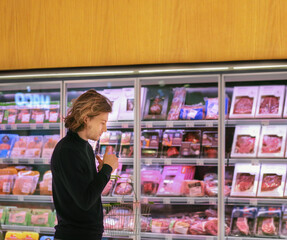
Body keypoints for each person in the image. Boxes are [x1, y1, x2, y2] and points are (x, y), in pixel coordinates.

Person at [51, 89, 119, 240]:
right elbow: (85, 200)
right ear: (86, 118)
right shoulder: (68, 150)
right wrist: (107, 170)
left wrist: (102, 172)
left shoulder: (85, 146)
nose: (105, 129)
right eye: (102, 122)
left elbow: (88, 190)